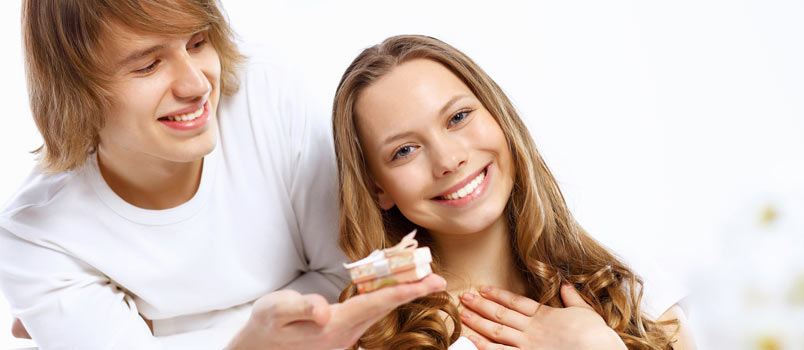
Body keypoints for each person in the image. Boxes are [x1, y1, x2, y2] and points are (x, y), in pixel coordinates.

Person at [0, 1, 445, 349]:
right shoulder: (37, 234)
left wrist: (166, 328)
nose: (196, 86)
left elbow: (346, 281)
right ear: (75, 89)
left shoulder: (268, 94)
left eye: (197, 43)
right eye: (147, 65)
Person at [331, 35, 697, 350]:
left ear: (499, 118)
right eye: (404, 150)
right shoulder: (366, 340)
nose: (449, 160)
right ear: (378, 188)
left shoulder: (630, 293)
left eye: (458, 117)